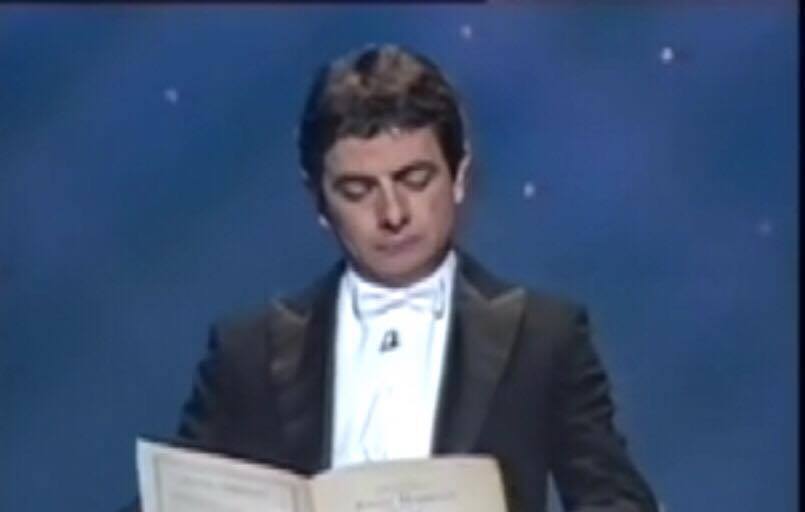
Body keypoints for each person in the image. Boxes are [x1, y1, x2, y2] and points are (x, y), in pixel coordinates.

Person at [130, 44, 657, 512]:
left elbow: (615, 500)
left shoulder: (543, 338)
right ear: (318, 201)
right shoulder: (248, 353)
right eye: (358, 191)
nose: (393, 213)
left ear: (459, 177)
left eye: (414, 179)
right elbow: (176, 497)